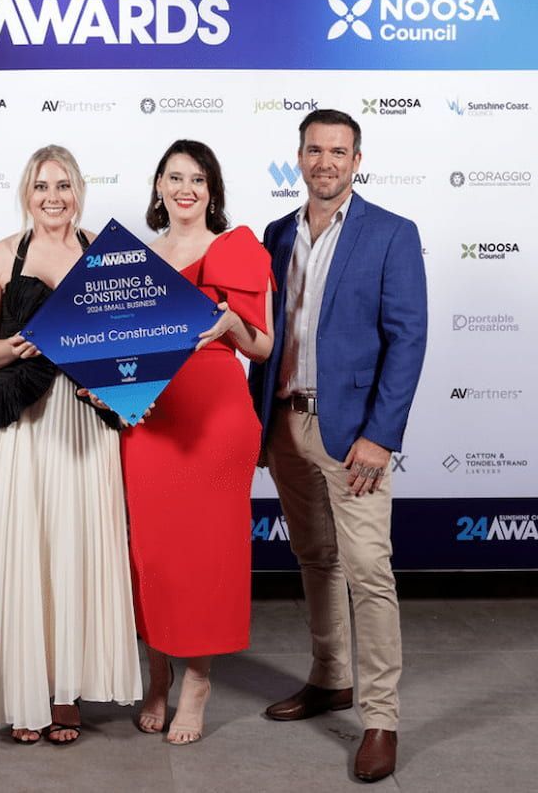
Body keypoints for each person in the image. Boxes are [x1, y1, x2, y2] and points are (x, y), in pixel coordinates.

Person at [248, 109, 427, 783]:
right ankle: (330, 678)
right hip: (287, 425)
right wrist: (260, 423)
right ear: (299, 156)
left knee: (369, 574)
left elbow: (407, 339)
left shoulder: (390, 233)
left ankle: (381, 718)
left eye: (339, 151)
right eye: (315, 150)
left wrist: (382, 436)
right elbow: (267, 336)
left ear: (357, 159)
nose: (326, 162)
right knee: (314, 558)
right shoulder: (275, 234)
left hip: (355, 435)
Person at [0, 145, 142, 744]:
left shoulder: (108, 256)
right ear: (26, 192)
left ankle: (68, 693)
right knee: (24, 547)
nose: (53, 196)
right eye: (41, 185)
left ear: (79, 190)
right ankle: (23, 692)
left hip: (84, 422)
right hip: (21, 424)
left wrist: (119, 389)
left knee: (78, 546)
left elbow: (132, 350)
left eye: (63, 184)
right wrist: (19, 346)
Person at [121, 140, 274, 744]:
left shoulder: (235, 248)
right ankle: (156, 673)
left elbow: (261, 346)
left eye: (199, 178)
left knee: (206, 553)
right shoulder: (133, 260)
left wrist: (234, 324)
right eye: (175, 176)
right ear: (158, 185)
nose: (186, 187)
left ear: (212, 190)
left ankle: (198, 682)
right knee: (153, 554)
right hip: (151, 420)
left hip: (215, 417)